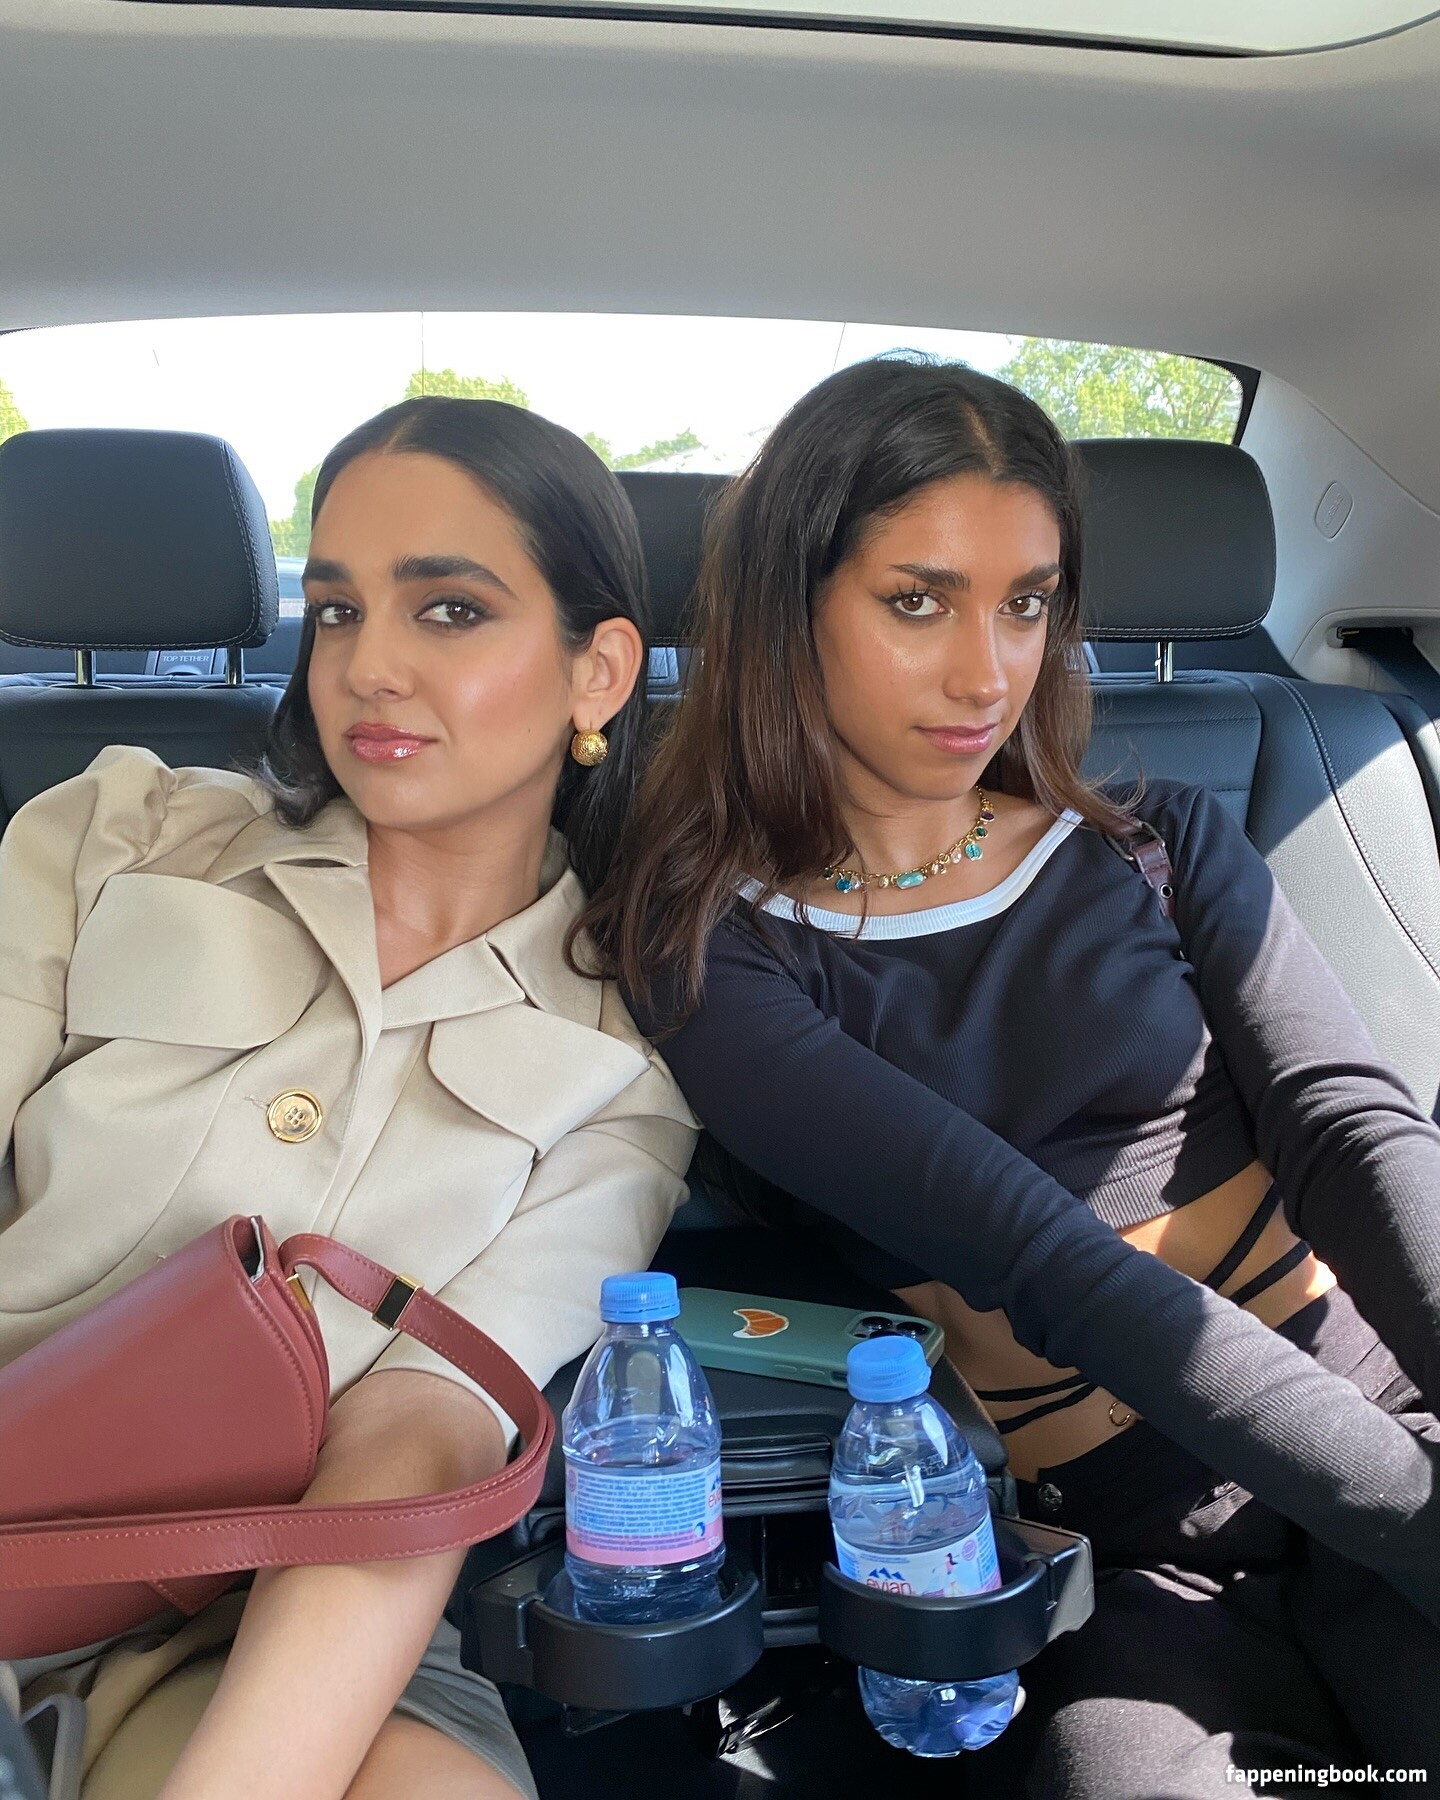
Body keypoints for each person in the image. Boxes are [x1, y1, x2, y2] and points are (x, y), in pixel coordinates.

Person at [583, 355, 1440, 1794]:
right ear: (790, 608)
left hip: (1376, 1407)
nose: (988, 672)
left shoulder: (1155, 842)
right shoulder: (716, 954)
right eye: (918, 601)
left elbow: (1351, 1131)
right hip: (1123, 1543)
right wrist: (1420, 1527)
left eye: (1027, 603)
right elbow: (1047, 1261)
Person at [0, 396, 697, 1800]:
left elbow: (421, 1434)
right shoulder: (122, 831)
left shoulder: (624, 1074)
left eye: (450, 610)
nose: (367, 665)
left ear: (598, 672)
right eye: (335, 611)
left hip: (271, 1603)